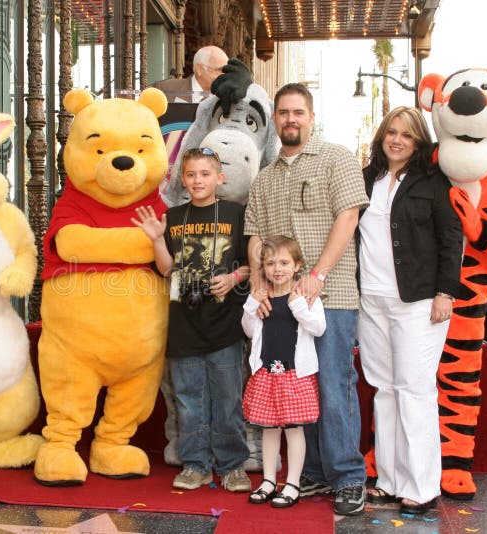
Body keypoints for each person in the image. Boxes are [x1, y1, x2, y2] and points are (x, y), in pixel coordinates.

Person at [244, 82, 370, 516]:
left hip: (329, 295)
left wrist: (317, 274)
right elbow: (256, 234)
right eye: (283, 113)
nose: (290, 119)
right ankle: (312, 472)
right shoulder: (265, 176)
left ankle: (349, 477)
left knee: (334, 386)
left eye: (298, 112)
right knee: (298, 391)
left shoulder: (337, 159)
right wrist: (260, 285)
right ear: (276, 119)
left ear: (311, 117)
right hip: (279, 305)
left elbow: (348, 216)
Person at [357, 107, 463, 514]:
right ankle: (388, 479)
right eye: (392, 132)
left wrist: (445, 292)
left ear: (419, 143)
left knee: (414, 391)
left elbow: (452, 238)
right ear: (382, 135)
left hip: (418, 301)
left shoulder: (433, 182)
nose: (397, 140)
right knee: (384, 390)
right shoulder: (368, 179)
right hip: (372, 300)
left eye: (407, 135)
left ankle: (421, 487)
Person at [132, 147, 252, 492]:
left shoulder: (235, 213)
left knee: (228, 400)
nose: (197, 180)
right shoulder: (173, 216)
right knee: (188, 401)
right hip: (184, 324)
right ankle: (196, 464)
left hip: (225, 325)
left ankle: (232, 466)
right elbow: (168, 269)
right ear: (181, 179)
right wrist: (157, 239)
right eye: (191, 174)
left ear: (219, 178)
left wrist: (233, 278)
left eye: (204, 174)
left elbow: (250, 263)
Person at [241, 236, 325, 508]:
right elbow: (249, 330)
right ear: (263, 268)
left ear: (297, 265)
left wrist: (298, 306)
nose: (277, 268)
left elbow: (318, 328)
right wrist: (252, 305)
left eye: (284, 262)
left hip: (294, 375)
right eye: (270, 263)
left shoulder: (305, 297)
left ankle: (292, 483)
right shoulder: (263, 297)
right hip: (267, 372)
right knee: (269, 428)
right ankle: (268, 480)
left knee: (293, 428)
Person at [152, 45, 228, 103]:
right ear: (199, 69)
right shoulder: (165, 89)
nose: (224, 75)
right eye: (219, 70)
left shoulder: (228, 96)